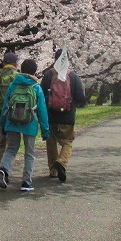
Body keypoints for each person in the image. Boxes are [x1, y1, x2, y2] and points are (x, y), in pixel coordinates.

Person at [0, 59, 49, 192]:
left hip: (12, 122)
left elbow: (5, 106)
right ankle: (26, 182)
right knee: (29, 153)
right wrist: (45, 130)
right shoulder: (36, 87)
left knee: (11, 148)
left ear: (21, 69)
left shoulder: (14, 84)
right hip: (30, 123)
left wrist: (3, 123)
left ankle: (4, 169)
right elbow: (42, 110)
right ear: (35, 71)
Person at [40, 49, 87, 182]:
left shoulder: (48, 74)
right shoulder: (73, 76)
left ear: (54, 59)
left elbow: (41, 94)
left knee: (51, 142)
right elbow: (80, 98)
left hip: (50, 116)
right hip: (67, 116)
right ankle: (61, 161)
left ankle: (53, 170)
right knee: (67, 141)